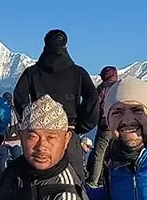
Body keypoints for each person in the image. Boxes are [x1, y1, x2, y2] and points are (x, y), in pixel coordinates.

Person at [13, 29, 99, 179]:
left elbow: (19, 95)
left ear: (45, 46)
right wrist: (82, 126)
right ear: (65, 47)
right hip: (68, 131)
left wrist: (30, 119)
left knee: (34, 175)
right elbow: (92, 98)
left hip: (37, 132)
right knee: (74, 179)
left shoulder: (32, 72)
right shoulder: (78, 73)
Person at [85, 66, 119, 187]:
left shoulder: (102, 88)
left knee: (99, 154)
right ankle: (114, 181)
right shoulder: (120, 87)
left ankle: (93, 181)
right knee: (117, 155)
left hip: (104, 127)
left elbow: (95, 106)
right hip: (118, 126)